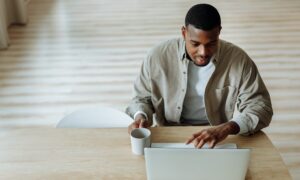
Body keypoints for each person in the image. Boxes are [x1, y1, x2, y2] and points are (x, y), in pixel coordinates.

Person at [125, 4, 273, 148]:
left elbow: (260, 107)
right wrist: (140, 116)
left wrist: (226, 128)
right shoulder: (157, 57)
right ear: (184, 33)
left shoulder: (238, 60)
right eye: (195, 44)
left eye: (211, 44)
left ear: (219, 32)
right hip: (167, 136)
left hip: (217, 138)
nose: (203, 52)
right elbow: (141, 98)